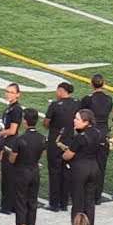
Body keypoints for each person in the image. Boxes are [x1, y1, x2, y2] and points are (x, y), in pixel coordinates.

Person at [62, 109, 102, 225]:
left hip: (80, 170)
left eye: (77, 119)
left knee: (78, 203)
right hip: (94, 168)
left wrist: (63, 154)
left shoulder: (80, 137)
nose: (74, 120)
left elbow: (68, 155)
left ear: (86, 122)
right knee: (89, 203)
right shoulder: (97, 132)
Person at [8, 109, 44, 225]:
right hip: (34, 171)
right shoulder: (41, 138)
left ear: (25, 121)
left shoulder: (20, 139)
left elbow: (12, 159)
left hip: (22, 172)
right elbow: (42, 153)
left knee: (21, 202)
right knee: (32, 202)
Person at [44, 83, 77, 211]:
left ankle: (54, 203)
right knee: (66, 171)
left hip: (55, 139)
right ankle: (64, 203)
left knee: (54, 171)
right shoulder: (76, 103)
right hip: (70, 139)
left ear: (61, 90)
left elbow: (46, 122)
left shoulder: (55, 105)